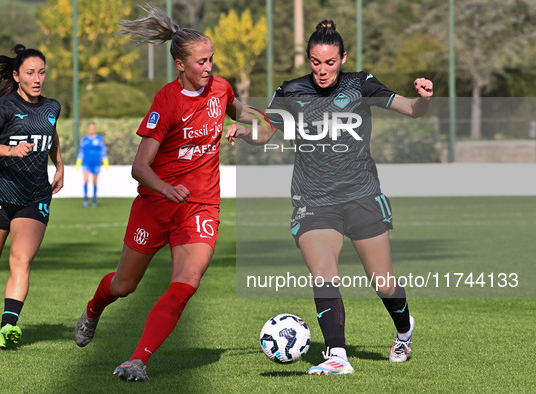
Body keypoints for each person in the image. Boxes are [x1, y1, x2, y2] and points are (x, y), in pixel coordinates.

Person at [227, 20, 433, 375]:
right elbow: (265, 134)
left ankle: (404, 330)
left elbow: (413, 110)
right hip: (314, 200)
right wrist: (244, 132)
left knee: (383, 284)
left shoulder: (361, 84)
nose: (322, 71)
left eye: (331, 63)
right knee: (323, 273)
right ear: (309, 59)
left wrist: (425, 98)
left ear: (343, 58)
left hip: (361, 196)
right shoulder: (291, 91)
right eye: (316, 62)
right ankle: (337, 355)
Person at [74, 5, 257, 382]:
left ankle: (137, 359)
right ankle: (93, 309)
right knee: (124, 286)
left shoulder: (221, 89)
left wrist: (259, 128)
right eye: (202, 61)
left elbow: (249, 118)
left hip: (201, 206)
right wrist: (166, 187)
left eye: (211, 60)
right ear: (180, 65)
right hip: (156, 205)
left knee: (186, 282)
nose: (209, 67)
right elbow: (139, 168)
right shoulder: (166, 101)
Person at [0, 44, 64, 349]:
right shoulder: (3, 106)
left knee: (21, 260)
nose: (37, 79)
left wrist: (59, 165)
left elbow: (51, 133)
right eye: (30, 73)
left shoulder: (52, 107)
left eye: (42, 72)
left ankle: (8, 328)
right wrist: (10, 149)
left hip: (35, 196)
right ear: (17, 75)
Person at [76, 122, 109, 207]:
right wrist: (78, 162)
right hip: (86, 162)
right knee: (86, 180)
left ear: (95, 129)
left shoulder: (99, 139)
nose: (92, 129)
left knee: (94, 182)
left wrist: (105, 161)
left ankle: (94, 200)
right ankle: (86, 199)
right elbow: (81, 152)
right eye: (90, 128)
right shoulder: (84, 140)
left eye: (93, 128)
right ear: (88, 129)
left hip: (96, 163)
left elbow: (103, 151)